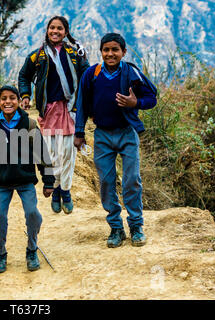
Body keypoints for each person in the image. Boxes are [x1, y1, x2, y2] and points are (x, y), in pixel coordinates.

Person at [74, 33, 157, 248]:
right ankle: (116, 228)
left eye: (115, 50)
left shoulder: (132, 72)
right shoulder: (92, 74)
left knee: (131, 179)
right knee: (107, 182)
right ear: (101, 51)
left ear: (123, 52)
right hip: (102, 136)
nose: (110, 54)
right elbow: (81, 104)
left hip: (127, 133)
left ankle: (136, 226)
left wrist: (134, 102)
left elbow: (152, 98)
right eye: (106, 50)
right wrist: (79, 132)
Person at [0, 85, 55, 273]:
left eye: (12, 98)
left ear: (19, 101)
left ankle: (32, 250)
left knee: (32, 214)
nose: (8, 102)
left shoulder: (29, 125)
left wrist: (48, 181)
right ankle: (0, 253)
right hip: (1, 181)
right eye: (3, 98)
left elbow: (42, 155)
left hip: (25, 181)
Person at [18, 16, 89, 214]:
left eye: (59, 28)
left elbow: (87, 76)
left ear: (66, 32)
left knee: (68, 153)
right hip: (48, 110)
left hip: (70, 109)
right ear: (47, 30)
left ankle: (64, 190)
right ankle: (56, 189)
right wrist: (24, 95)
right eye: (52, 28)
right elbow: (24, 75)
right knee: (51, 154)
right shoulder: (37, 56)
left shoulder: (75, 53)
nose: (55, 31)